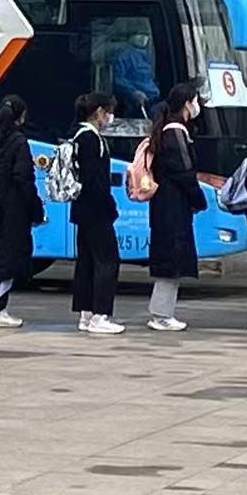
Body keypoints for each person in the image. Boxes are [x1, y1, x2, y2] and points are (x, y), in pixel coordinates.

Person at [146, 83, 206, 331]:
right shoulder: (175, 132)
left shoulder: (168, 129)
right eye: (195, 100)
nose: (197, 106)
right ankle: (161, 315)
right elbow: (184, 171)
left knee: (170, 259)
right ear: (187, 103)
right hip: (172, 207)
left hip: (166, 206)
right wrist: (198, 199)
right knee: (171, 260)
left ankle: (161, 312)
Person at [0, 95, 45, 329]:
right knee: (10, 259)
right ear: (21, 116)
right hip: (13, 210)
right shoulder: (19, 142)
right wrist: (36, 208)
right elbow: (24, 178)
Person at [71, 92, 124, 335]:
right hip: (96, 210)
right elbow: (96, 181)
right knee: (107, 261)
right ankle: (100, 315)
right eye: (109, 111)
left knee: (87, 261)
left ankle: (86, 313)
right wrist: (109, 207)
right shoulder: (92, 139)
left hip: (82, 209)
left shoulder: (77, 136)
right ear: (100, 112)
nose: (110, 117)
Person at [112, 28, 159, 117]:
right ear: (131, 36)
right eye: (139, 34)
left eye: (146, 35)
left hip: (153, 100)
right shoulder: (125, 55)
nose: (143, 38)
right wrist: (134, 92)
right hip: (136, 102)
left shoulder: (147, 53)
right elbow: (118, 79)